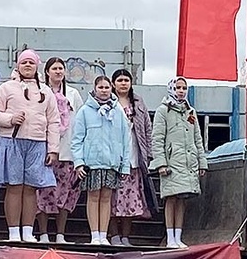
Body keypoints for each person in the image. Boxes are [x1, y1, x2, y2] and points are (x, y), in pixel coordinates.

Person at [0, 49, 61, 242]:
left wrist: (53, 149)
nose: (27, 66)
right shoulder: (7, 88)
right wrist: (10, 119)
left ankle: (28, 232)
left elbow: (54, 121)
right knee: (14, 187)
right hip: (11, 141)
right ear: (18, 66)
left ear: (37, 66)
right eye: (24, 62)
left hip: (37, 144)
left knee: (30, 188)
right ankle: (13, 233)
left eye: (31, 63)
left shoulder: (46, 91)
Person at [70, 75, 132, 246]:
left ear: (111, 88)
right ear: (95, 88)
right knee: (93, 197)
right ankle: (94, 235)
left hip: (111, 163)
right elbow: (77, 140)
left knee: (106, 198)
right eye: (101, 87)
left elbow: (126, 139)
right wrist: (79, 162)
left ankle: (103, 235)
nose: (104, 91)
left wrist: (124, 166)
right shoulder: (85, 111)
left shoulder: (118, 110)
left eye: (107, 87)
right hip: (92, 163)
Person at [149, 77, 208, 249]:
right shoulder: (163, 111)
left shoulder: (191, 112)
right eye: (177, 87)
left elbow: (198, 138)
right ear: (171, 89)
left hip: (188, 163)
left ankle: (178, 236)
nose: (181, 91)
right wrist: (161, 163)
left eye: (184, 88)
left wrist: (202, 162)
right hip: (171, 163)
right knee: (171, 198)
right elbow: (157, 138)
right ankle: (170, 238)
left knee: (183, 198)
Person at [34, 57, 86, 244]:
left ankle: (61, 234)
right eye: (54, 68)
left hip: (68, 151)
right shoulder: (40, 92)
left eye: (61, 68)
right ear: (47, 71)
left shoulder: (73, 94)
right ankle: (43, 234)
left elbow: (80, 123)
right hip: (44, 149)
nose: (58, 72)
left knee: (66, 193)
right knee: (43, 192)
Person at [108, 69, 159, 246]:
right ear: (113, 83)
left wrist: (149, 153)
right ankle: (114, 236)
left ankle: (125, 236)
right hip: (113, 158)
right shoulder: (108, 101)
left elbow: (147, 127)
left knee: (131, 200)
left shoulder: (138, 102)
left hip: (135, 156)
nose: (123, 83)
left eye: (126, 80)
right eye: (120, 80)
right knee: (112, 200)